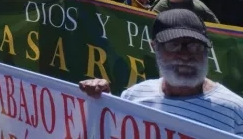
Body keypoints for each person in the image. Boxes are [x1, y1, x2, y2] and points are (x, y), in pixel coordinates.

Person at [79, 9, 243, 135]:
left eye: (195, 46)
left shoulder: (235, 111)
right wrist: (102, 104)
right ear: (154, 47)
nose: (185, 55)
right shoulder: (133, 97)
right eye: (174, 45)